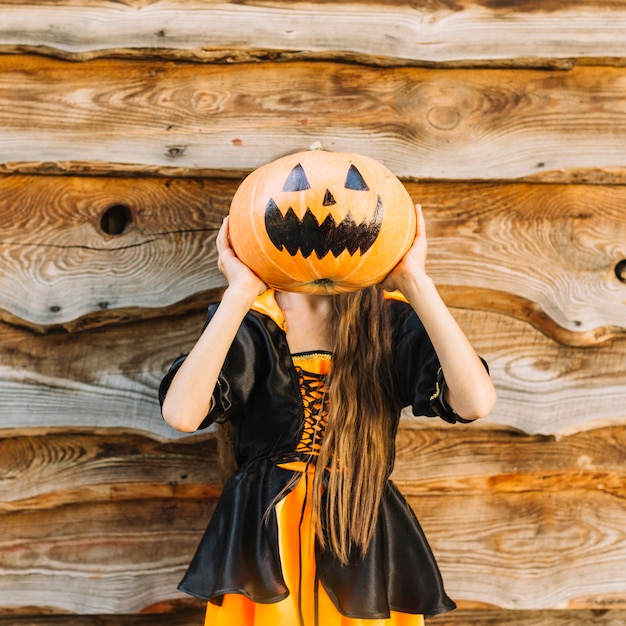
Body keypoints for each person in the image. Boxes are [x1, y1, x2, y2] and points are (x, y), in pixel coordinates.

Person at [159, 204, 497, 626]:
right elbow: (182, 414)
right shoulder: (255, 321)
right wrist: (240, 292)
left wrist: (415, 283)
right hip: (266, 538)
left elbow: (475, 402)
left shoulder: (388, 321)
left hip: (356, 526)